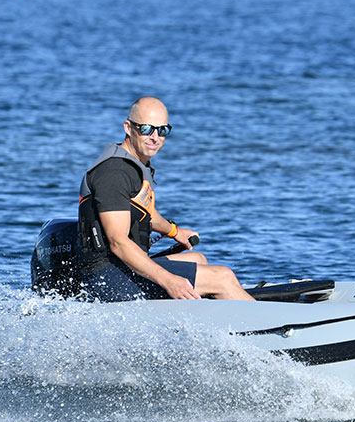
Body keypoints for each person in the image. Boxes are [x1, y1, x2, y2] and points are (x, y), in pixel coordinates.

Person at [78, 96, 254, 302]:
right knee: (223, 277)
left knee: (198, 259)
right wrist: (169, 280)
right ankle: (265, 326)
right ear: (128, 127)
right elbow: (118, 242)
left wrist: (175, 232)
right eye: (146, 129)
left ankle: (211, 319)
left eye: (162, 130)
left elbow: (146, 213)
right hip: (105, 279)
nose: (155, 137)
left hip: (122, 268)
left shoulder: (133, 165)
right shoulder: (114, 172)